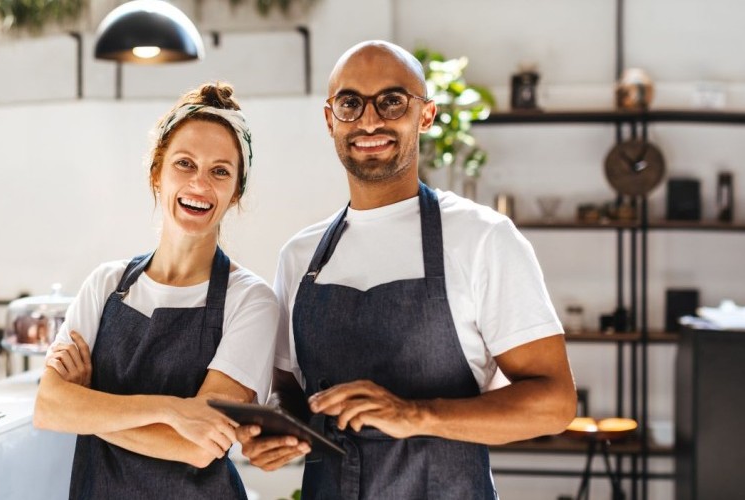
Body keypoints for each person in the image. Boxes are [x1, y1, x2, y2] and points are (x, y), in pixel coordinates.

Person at [236, 41, 577, 499]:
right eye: (350, 103)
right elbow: (287, 388)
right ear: (329, 119)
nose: (370, 120)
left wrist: (415, 414)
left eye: (392, 101)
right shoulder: (301, 256)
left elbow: (554, 404)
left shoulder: (483, 238)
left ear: (426, 116)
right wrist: (280, 434)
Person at [34, 82, 279, 500]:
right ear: (156, 174)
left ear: (235, 192)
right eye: (185, 163)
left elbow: (199, 446)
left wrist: (89, 404)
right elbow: (48, 408)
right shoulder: (107, 284)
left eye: (220, 171)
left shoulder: (250, 301)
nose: (200, 183)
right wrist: (173, 410)